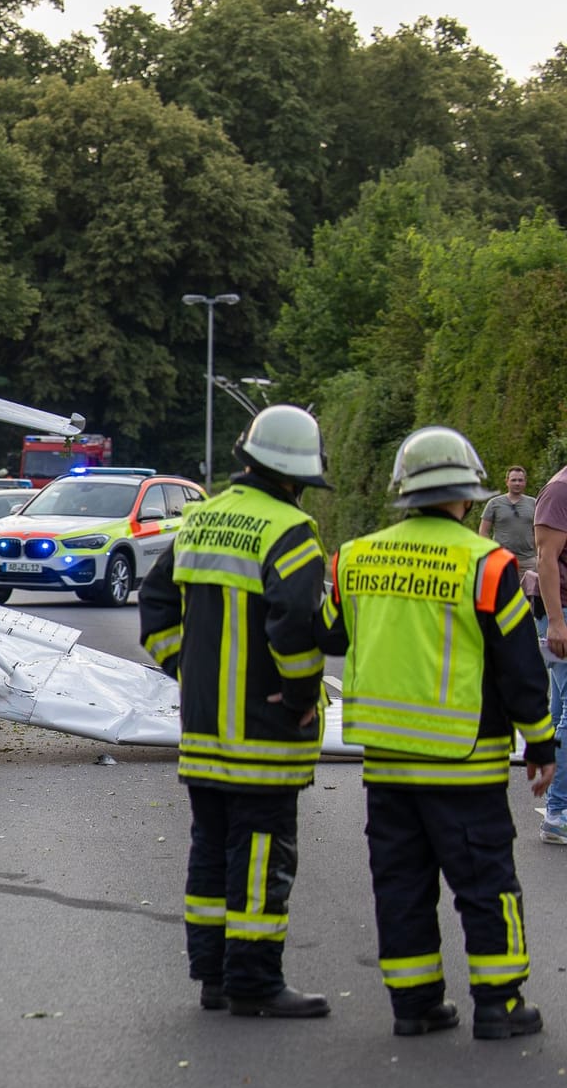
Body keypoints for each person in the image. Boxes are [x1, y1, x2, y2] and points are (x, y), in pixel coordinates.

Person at [318, 426, 554, 1039]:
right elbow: (519, 667)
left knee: (401, 884)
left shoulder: (356, 556)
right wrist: (543, 742)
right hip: (464, 760)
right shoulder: (488, 564)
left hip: (388, 761)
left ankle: (415, 1006)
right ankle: (499, 1007)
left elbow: (330, 636)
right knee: (485, 884)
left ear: (403, 491)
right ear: (469, 495)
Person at [139, 405, 333, 1019]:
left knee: (212, 851)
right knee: (260, 859)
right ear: (296, 475)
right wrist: (301, 698)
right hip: (265, 736)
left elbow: (155, 604)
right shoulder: (291, 530)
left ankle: (215, 977)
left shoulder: (199, 521)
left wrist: (186, 670)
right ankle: (254, 982)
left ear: (247, 459)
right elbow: (298, 631)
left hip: (202, 732)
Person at [530, 463, 567, 843]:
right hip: (563, 614)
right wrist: (556, 622)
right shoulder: (560, 491)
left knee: (559, 705)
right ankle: (558, 812)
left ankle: (550, 779)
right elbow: (545, 558)